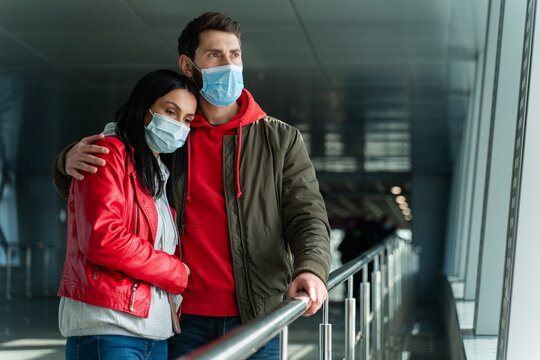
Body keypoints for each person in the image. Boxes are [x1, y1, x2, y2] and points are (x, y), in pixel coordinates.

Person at [52, 12, 331, 359]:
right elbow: (109, 179)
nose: (228, 64)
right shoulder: (167, 136)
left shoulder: (280, 139)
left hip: (256, 312)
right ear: (188, 64)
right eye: (214, 55)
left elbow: (308, 216)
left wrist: (312, 269)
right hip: (180, 316)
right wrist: (65, 162)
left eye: (235, 54)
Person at [56, 70, 197, 360]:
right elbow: (103, 239)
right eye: (170, 111)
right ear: (143, 109)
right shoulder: (108, 153)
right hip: (109, 329)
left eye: (186, 119)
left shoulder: (158, 174)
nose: (179, 125)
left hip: (153, 334)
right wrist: (175, 271)